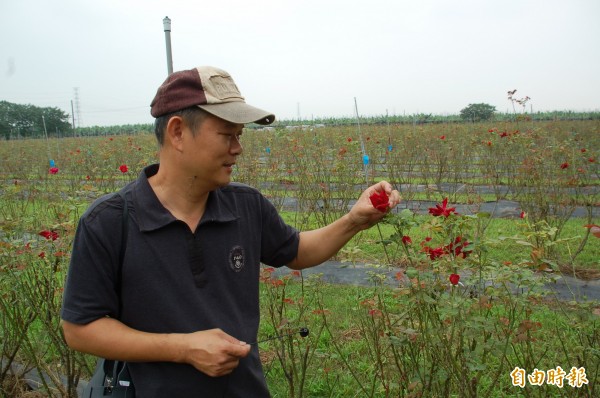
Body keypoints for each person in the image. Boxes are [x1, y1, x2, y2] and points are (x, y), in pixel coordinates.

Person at [61, 66, 401, 397]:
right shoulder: (108, 222)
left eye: (240, 136)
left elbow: (296, 250)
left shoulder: (245, 205)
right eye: (227, 135)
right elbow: (80, 329)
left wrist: (355, 219)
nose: (238, 148)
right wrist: (183, 348)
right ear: (177, 132)